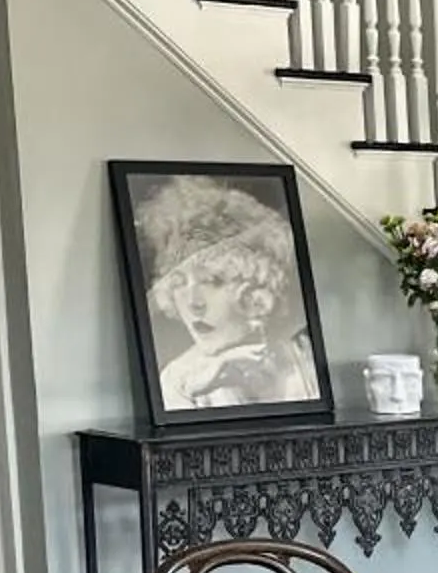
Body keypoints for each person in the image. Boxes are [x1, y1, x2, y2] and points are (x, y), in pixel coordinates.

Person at [136, 173, 318, 408]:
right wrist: (190, 392)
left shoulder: (304, 357)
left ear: (256, 287)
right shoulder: (179, 383)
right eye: (179, 283)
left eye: (212, 280)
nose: (193, 303)